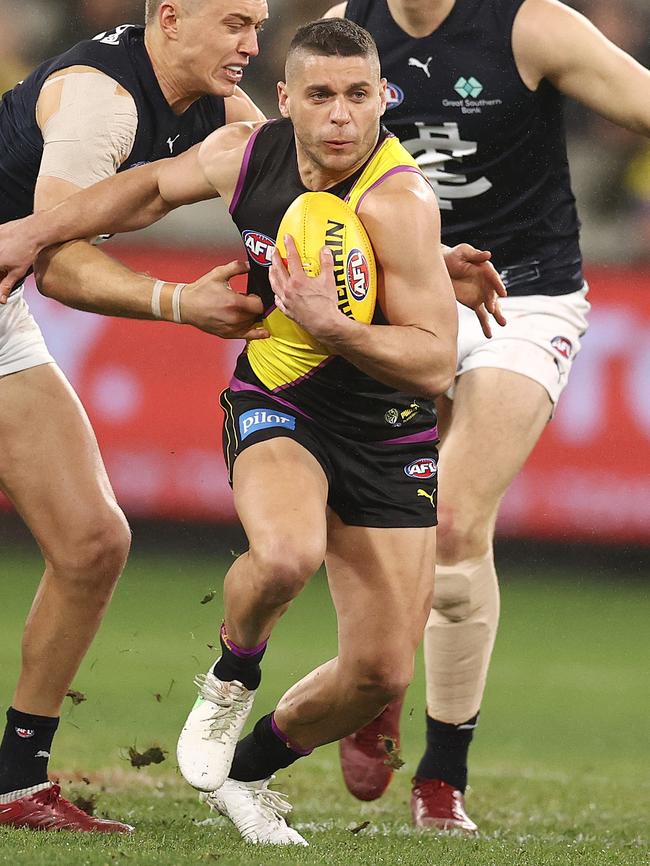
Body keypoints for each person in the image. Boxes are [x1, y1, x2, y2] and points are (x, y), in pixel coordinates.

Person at [0, 17, 508, 845]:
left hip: (385, 427)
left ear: (381, 98)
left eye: (355, 97)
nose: (338, 116)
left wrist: (389, 281)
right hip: (277, 397)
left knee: (378, 668)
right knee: (283, 553)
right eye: (234, 21)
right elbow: (105, 220)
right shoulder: (136, 112)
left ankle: (214, 768)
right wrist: (54, 240)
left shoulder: (374, 183)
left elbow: (422, 352)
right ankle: (231, 676)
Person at [324, 0, 650, 833]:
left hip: (526, 296)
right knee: (388, 522)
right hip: (402, 298)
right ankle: (379, 676)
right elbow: (291, 157)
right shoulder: (349, 29)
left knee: (458, 518)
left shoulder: (531, 24)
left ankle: (437, 770)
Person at [0, 0, 269, 833]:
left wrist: (431, 260)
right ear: (171, 19)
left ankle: (15, 785)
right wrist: (178, 301)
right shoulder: (101, 102)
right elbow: (62, 269)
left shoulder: (218, 101)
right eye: (233, 23)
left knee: (91, 542)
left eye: (257, 25)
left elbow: (311, 189)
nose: (251, 44)